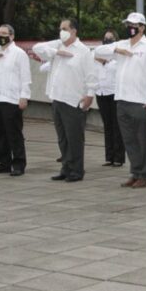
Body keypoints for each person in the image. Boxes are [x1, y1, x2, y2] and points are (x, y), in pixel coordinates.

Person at [95, 12, 146, 189]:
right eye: (128, 25)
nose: (130, 28)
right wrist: (115, 49)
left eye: (134, 25)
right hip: (122, 99)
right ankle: (135, 172)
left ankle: (144, 176)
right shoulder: (122, 44)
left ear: (142, 27)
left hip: (139, 100)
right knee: (129, 140)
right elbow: (97, 51)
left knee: (141, 140)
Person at [33, 19, 98, 183]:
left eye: (65, 28)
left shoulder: (83, 51)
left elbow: (91, 75)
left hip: (73, 99)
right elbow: (37, 48)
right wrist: (57, 52)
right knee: (62, 137)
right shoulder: (58, 45)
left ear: (74, 30)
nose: (61, 31)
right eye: (60, 28)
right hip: (57, 97)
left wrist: (90, 94)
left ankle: (76, 170)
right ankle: (66, 168)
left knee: (74, 137)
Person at [0, 24, 31, 176]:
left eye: (4, 33)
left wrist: (24, 96)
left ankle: (18, 163)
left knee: (14, 133)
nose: (1, 36)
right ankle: (3, 162)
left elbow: (25, 77)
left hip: (12, 99)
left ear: (11, 36)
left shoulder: (19, 53)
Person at [95, 29, 125, 167]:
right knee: (107, 125)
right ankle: (109, 156)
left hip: (114, 94)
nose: (107, 40)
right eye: (105, 38)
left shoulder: (117, 57)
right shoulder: (96, 56)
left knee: (116, 125)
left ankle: (119, 157)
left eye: (110, 39)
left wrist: (106, 62)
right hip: (101, 93)